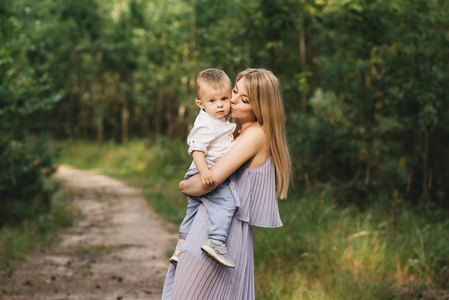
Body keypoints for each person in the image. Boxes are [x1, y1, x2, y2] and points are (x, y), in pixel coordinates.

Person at [162, 68, 291, 300]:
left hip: (221, 230)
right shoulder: (234, 130)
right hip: (215, 223)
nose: (231, 100)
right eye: (234, 91)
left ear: (260, 108)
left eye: (244, 99)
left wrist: (183, 186)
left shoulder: (254, 135)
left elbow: (207, 184)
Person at [169, 68, 237, 268]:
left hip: (200, 171)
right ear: (200, 103)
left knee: (192, 213)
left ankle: (180, 249)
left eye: (224, 98)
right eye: (213, 101)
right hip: (204, 171)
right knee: (227, 203)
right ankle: (216, 241)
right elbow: (197, 149)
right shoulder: (207, 123)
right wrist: (206, 172)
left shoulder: (218, 119)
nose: (220, 105)